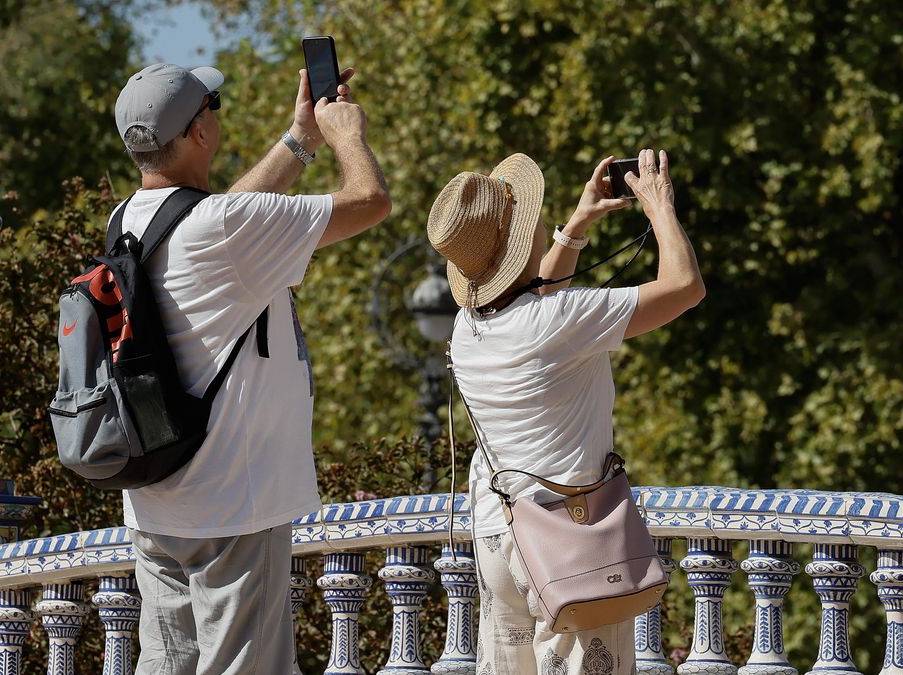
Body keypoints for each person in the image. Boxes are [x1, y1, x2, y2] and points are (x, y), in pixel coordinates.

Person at [110, 62, 390, 674]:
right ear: (197, 135)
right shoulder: (223, 227)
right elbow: (369, 202)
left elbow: (225, 213)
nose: (216, 116)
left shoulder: (130, 220)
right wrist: (345, 134)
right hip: (234, 500)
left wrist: (298, 140)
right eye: (211, 107)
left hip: (157, 498)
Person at [427, 150, 703, 674]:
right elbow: (685, 288)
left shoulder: (467, 327)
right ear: (521, 240)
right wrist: (659, 207)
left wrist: (574, 228)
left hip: (498, 531)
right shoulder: (561, 320)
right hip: (569, 540)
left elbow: (534, 294)